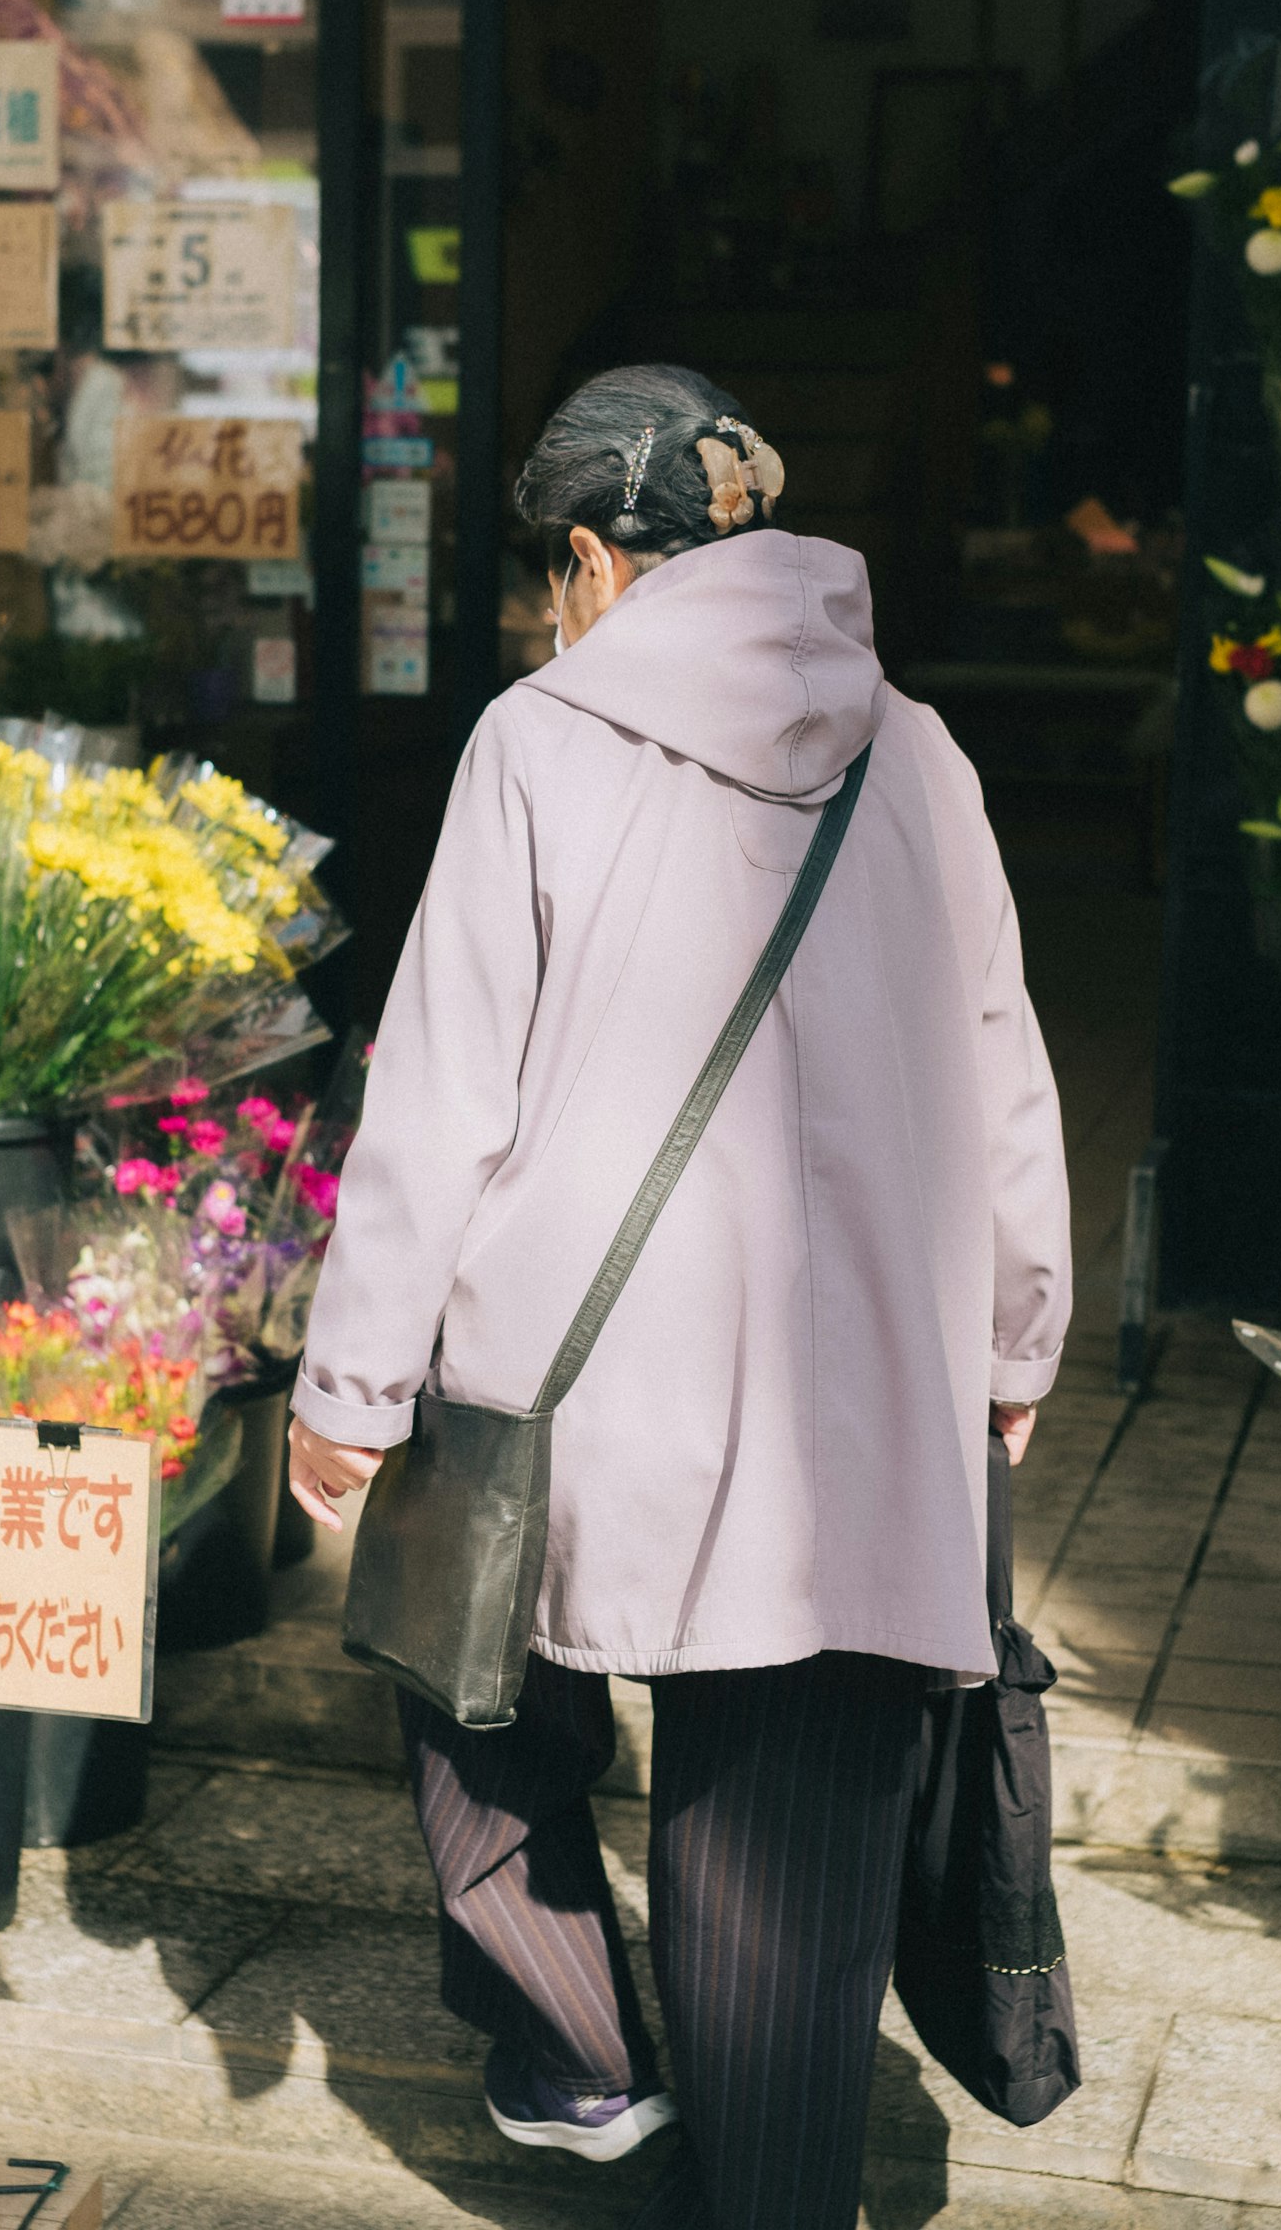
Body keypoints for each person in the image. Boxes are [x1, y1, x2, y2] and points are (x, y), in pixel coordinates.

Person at [286, 363, 1072, 2227]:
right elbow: (1009, 1071)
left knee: (464, 1680)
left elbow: (443, 1096)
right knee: (784, 1846)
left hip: (570, 1390)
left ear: (588, 560)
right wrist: (1018, 1337)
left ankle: (582, 2056)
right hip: (860, 1400)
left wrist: (351, 1380)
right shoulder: (921, 752)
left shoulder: (537, 742)